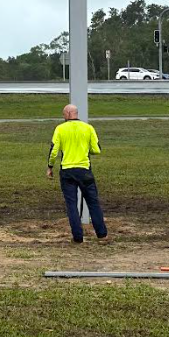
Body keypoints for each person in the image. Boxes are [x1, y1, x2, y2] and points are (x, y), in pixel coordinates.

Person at [47, 104, 108, 244]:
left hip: (67, 171)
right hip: (84, 170)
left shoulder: (60, 129)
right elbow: (97, 150)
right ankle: (102, 235)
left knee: (71, 204)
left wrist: (50, 167)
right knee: (93, 202)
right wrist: (85, 150)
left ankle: (78, 237)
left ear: (68, 114)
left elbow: (54, 150)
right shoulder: (88, 128)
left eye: (63, 114)